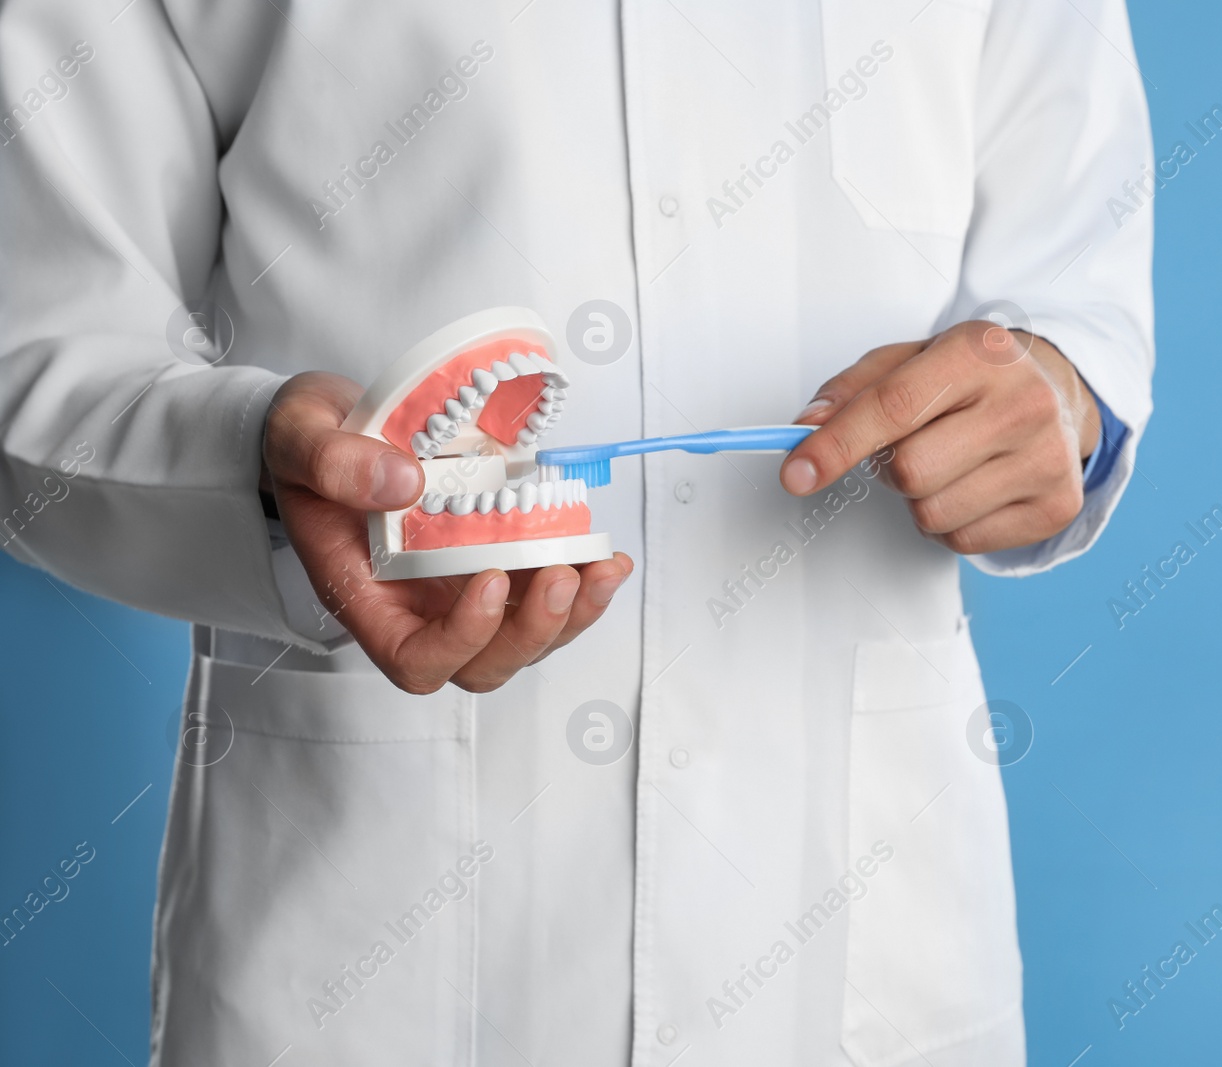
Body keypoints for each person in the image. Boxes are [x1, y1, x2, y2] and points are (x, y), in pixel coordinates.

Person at [0, 2, 1152, 1063]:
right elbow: (40, 356)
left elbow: (1073, 285)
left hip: (857, 942)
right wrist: (257, 467)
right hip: (366, 956)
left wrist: (1060, 404)